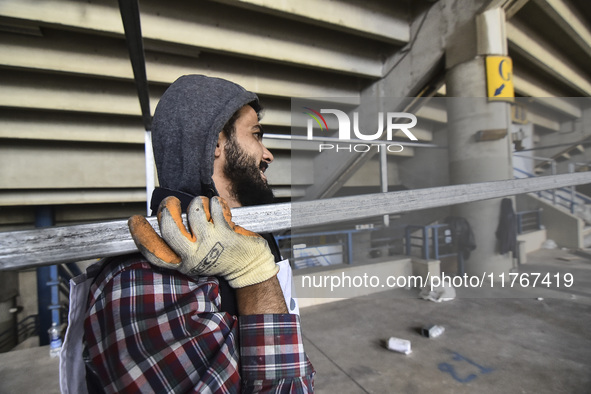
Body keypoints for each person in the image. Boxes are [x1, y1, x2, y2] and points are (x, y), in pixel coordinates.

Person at [60, 75, 314, 393]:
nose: (268, 155)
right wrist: (256, 278)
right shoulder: (140, 283)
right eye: (256, 135)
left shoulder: (250, 240)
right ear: (216, 143)